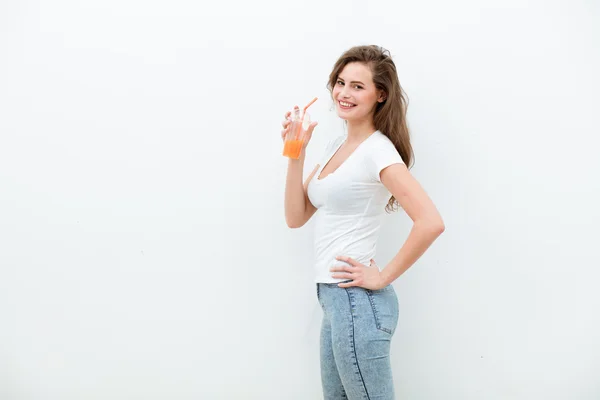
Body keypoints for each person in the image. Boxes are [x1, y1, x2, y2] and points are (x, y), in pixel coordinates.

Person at [281, 45, 445, 400]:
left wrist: (382, 276)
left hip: (358, 302)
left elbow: (430, 221)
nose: (344, 93)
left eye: (358, 86)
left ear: (380, 95)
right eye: (340, 82)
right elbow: (296, 217)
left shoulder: (378, 151)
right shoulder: (337, 146)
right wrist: (296, 151)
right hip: (335, 299)